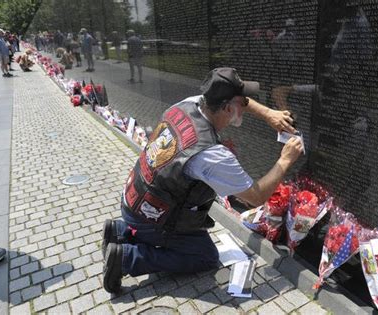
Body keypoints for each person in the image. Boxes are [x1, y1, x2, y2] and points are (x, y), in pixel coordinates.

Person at [101, 67, 303, 293]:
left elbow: (239, 100)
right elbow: (255, 197)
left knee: (191, 241)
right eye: (241, 103)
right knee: (204, 256)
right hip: (153, 216)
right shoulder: (209, 153)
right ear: (227, 107)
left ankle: (120, 231)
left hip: (134, 197)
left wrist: (268, 113)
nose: (245, 106)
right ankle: (128, 258)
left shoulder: (191, 103)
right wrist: (285, 160)